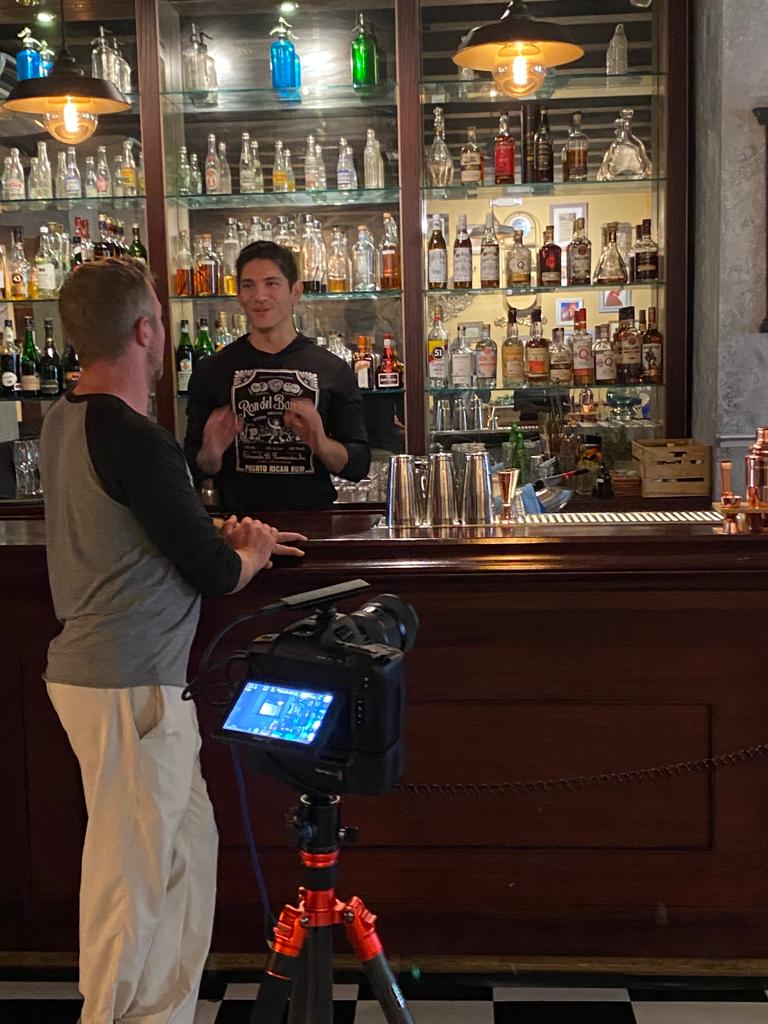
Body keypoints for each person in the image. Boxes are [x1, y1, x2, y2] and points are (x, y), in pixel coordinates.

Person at [39, 258, 306, 1024]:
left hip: (125, 682)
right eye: (159, 317)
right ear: (146, 331)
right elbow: (218, 575)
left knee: (186, 858)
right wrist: (246, 551)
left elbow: (135, 527)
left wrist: (211, 529)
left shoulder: (65, 418)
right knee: (132, 882)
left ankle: (161, 1016)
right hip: (130, 687)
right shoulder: (136, 437)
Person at [184, 240, 371, 514]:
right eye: (248, 285)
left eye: (271, 283)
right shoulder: (212, 370)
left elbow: (358, 465)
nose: (260, 296)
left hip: (312, 528)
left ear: (296, 291)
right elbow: (191, 464)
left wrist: (320, 442)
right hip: (239, 530)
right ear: (239, 294)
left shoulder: (332, 369)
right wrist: (210, 454)